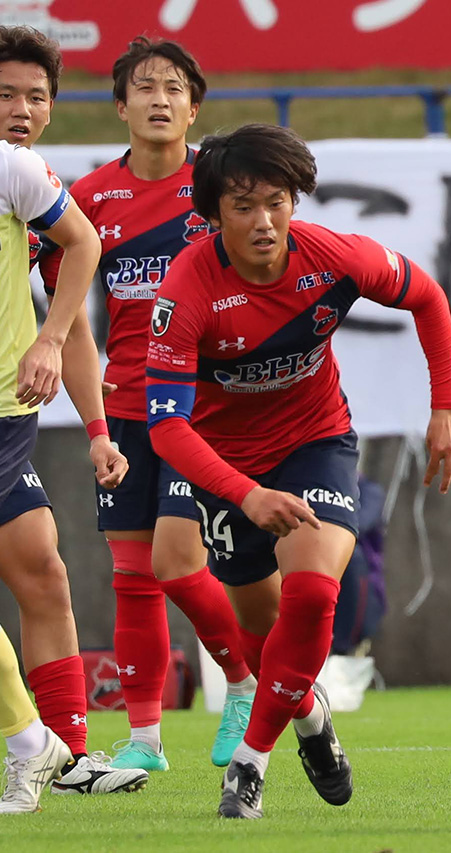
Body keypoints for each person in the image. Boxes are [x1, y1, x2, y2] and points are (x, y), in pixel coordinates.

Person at [144, 123, 451, 819]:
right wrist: (246, 494)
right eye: (243, 206)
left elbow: (427, 296)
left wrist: (446, 406)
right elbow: (167, 428)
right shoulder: (186, 291)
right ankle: (311, 716)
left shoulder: (336, 257)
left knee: (315, 592)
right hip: (224, 468)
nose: (264, 222)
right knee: (266, 644)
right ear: (213, 214)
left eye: (277, 202)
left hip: (315, 442)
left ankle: (249, 765)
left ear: (295, 200)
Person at [38, 36, 255, 774]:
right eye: (145, 87)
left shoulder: (221, 190)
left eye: (174, 89)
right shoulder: (89, 200)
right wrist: (95, 423)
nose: (159, 100)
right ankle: (144, 740)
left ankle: (243, 680)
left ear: (194, 108)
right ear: (120, 106)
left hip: (199, 409)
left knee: (177, 561)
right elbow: (69, 319)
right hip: (126, 406)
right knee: (131, 574)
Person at [0, 25, 148, 805]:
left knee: (43, 570)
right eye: (5, 95)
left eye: (36, 97)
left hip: (6, 413)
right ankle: (31, 742)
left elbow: (76, 312)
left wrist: (97, 431)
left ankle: (65, 754)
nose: (21, 110)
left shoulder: (27, 183)